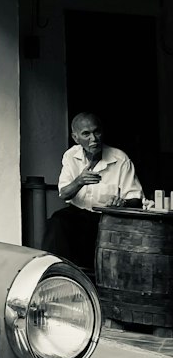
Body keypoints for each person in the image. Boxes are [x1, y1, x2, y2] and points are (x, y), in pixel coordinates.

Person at [42, 112, 144, 272]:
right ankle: (55, 274)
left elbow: (136, 198)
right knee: (57, 222)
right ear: (75, 138)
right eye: (86, 134)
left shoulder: (120, 159)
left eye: (97, 132)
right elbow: (64, 194)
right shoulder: (71, 156)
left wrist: (122, 203)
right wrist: (79, 181)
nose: (93, 139)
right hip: (79, 214)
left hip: (107, 219)